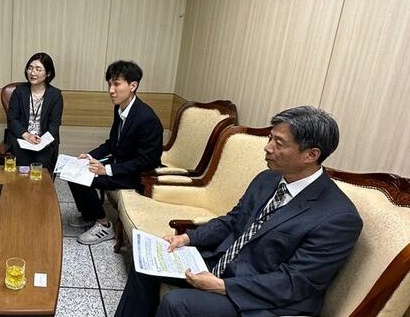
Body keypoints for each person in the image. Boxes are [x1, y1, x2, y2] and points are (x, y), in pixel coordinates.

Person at [114, 106, 363, 317]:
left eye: (278, 143)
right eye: (270, 138)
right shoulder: (268, 178)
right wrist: (187, 238)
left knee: (177, 303)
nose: (267, 148)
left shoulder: (338, 217)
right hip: (225, 263)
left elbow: (294, 283)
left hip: (265, 299)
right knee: (144, 265)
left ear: (311, 155)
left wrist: (222, 286)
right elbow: (234, 220)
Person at [68, 60, 163, 245]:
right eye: (109, 84)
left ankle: (104, 225)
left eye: (117, 84)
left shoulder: (147, 118)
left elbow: (146, 161)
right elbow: (112, 143)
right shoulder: (121, 108)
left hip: (137, 174)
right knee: (74, 170)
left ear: (133, 86)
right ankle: (89, 215)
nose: (111, 90)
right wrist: (90, 155)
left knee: (83, 177)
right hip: (121, 164)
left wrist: (107, 170)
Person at [6, 52, 63, 173]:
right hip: (22, 138)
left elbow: (54, 124)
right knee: (23, 169)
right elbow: (12, 119)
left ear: (48, 73)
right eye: (30, 68)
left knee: (41, 167)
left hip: (44, 140)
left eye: (38, 69)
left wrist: (42, 141)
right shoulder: (19, 92)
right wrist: (27, 135)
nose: (32, 73)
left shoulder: (55, 95)